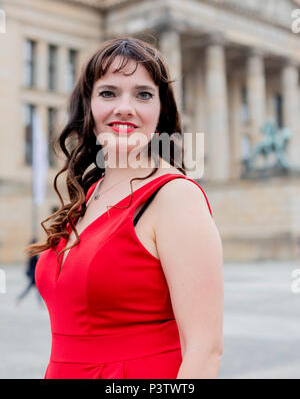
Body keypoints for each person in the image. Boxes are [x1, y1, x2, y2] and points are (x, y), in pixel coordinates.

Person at [26, 37, 223, 379]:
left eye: (143, 94)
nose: (125, 107)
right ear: (88, 106)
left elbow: (204, 350)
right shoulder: (89, 194)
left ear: (161, 110)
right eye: (108, 93)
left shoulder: (175, 197)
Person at [16, 238, 42, 306]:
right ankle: (19, 298)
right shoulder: (33, 253)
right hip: (33, 275)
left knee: (33, 289)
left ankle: (19, 298)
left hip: (33, 274)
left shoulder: (32, 253)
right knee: (33, 289)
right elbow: (32, 264)